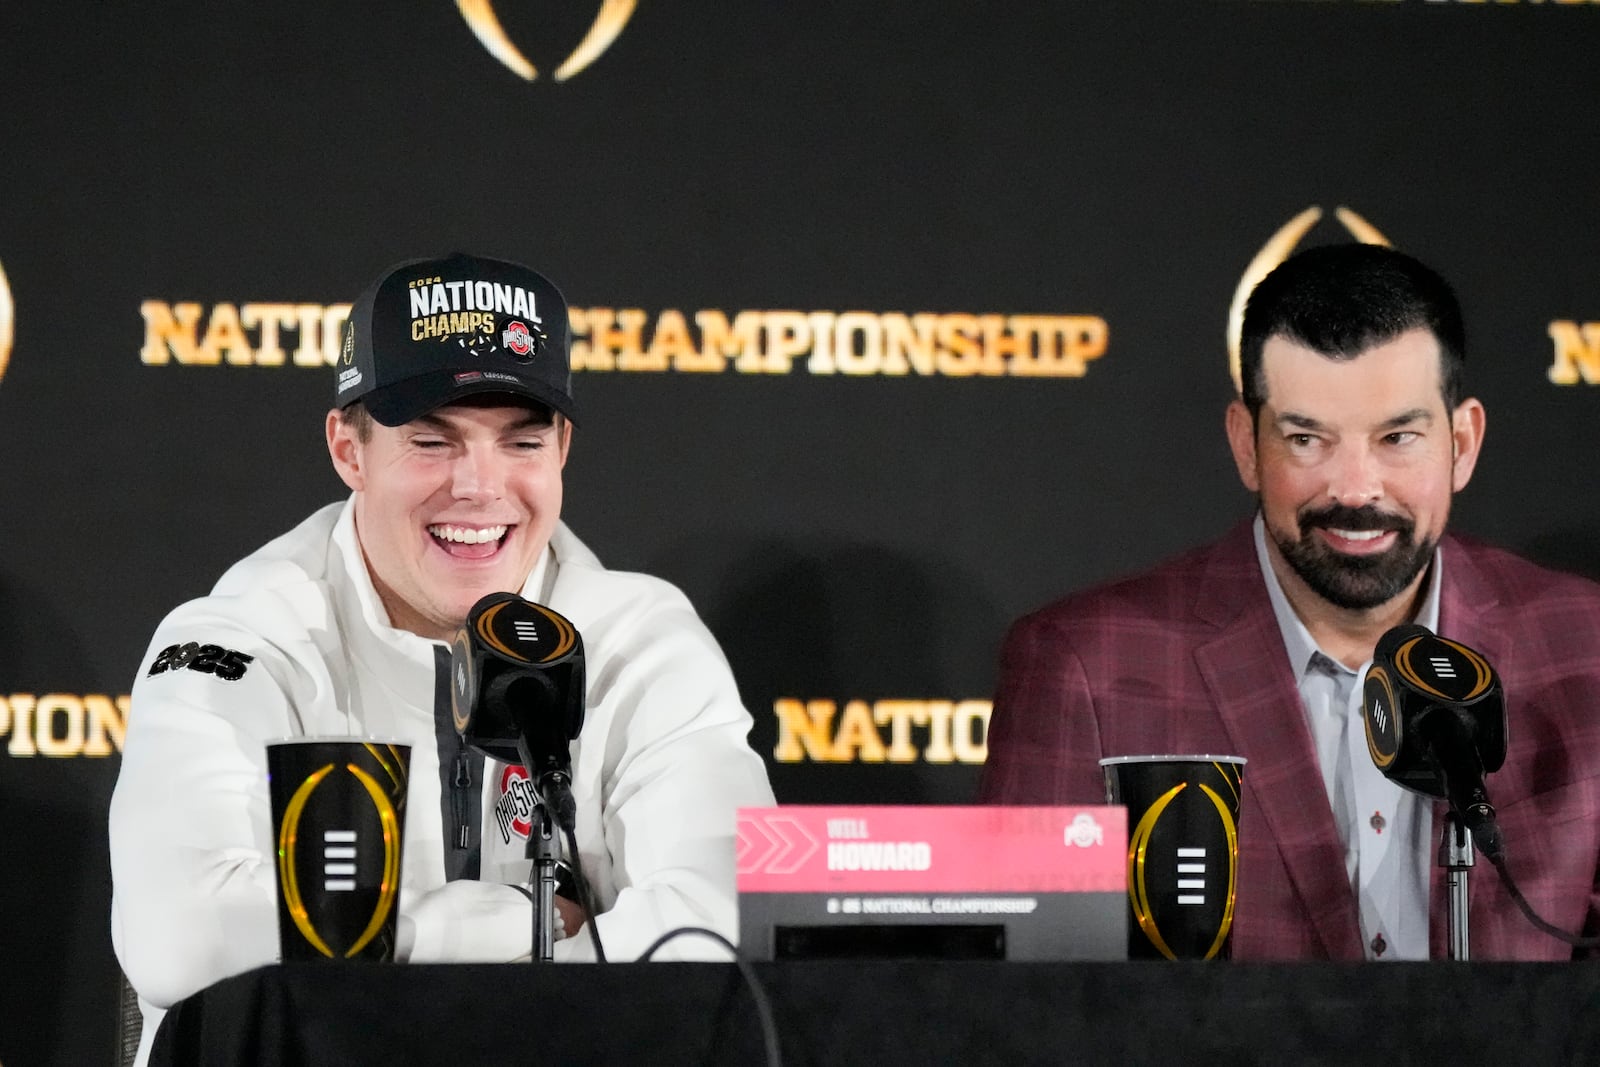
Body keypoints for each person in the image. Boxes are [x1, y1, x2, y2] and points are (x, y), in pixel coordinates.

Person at [109, 253, 775, 1062]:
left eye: (521, 442)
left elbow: (724, 917)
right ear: (347, 450)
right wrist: (508, 924)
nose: (480, 487)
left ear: (563, 448)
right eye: (432, 440)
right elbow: (182, 934)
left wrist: (366, 934)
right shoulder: (235, 639)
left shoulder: (643, 640)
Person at [978, 242, 1600, 960]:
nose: (1356, 488)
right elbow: (1019, 1013)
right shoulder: (1086, 669)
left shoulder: (1584, 648)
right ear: (1247, 445)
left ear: (1462, 443)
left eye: (1399, 437)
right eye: (1307, 439)